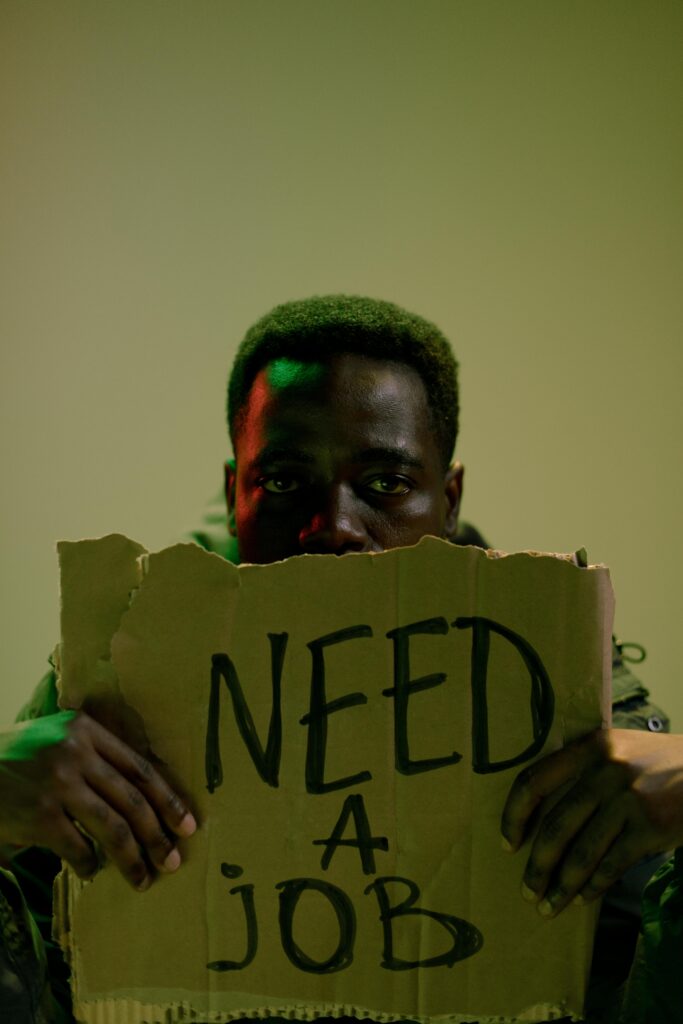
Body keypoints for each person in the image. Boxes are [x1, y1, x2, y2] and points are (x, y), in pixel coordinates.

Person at [1, 295, 681, 1023]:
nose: (335, 529)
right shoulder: (125, 671)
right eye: (286, 483)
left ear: (447, 500)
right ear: (236, 493)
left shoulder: (554, 674)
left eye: (385, 483)